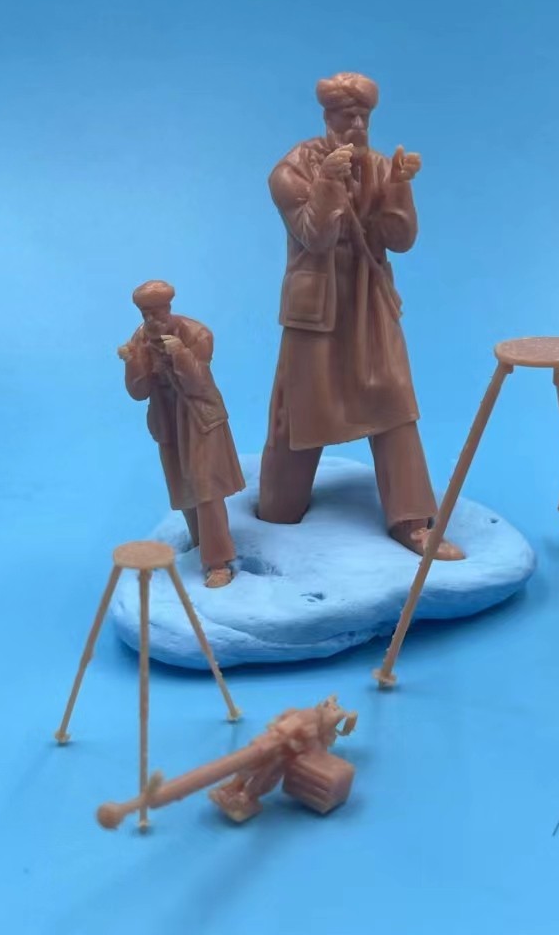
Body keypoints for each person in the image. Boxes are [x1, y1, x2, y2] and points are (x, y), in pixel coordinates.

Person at [257, 72, 463, 560]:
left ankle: (411, 519)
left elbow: (400, 239)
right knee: (300, 410)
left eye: (364, 117)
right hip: (316, 306)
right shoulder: (291, 170)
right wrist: (329, 182)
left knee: (393, 399)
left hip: (369, 301)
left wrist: (399, 187)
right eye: (347, 116)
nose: (357, 126)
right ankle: (278, 508)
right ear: (327, 117)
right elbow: (316, 236)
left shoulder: (378, 166)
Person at [118, 280, 245, 588]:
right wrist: (133, 362)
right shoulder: (141, 337)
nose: (151, 320)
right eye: (145, 314)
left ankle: (218, 562)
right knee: (182, 486)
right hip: (167, 418)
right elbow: (138, 392)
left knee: (206, 487)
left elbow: (198, 384)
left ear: (168, 308)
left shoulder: (197, 334)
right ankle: (201, 542)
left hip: (198, 416)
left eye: (156, 312)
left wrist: (181, 355)